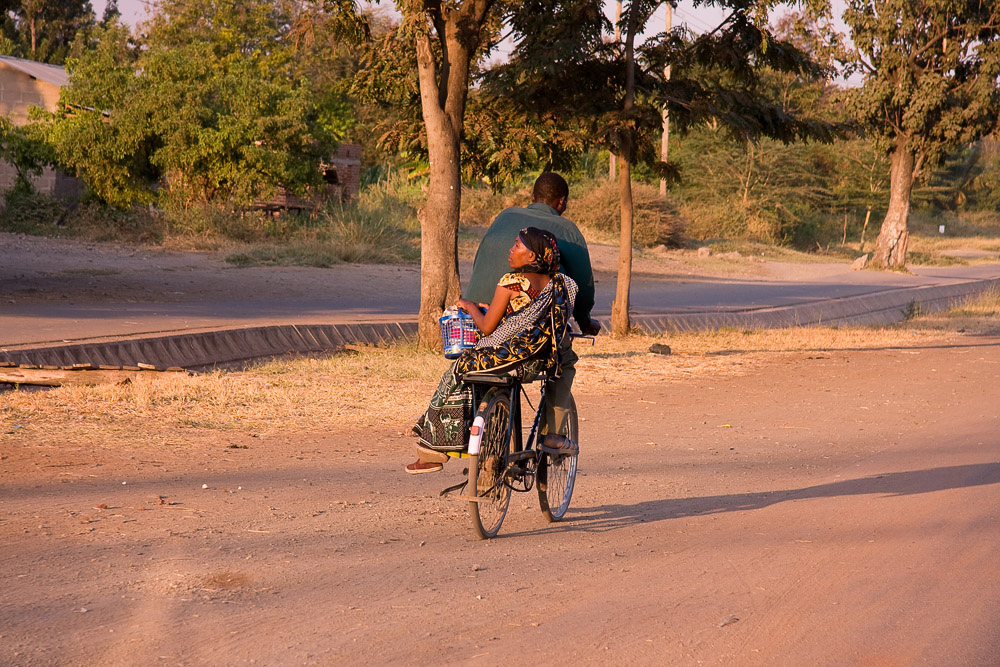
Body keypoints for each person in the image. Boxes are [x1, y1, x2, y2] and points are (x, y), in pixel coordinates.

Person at [406, 227, 578, 474]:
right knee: (564, 364)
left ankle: (432, 450)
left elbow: (487, 328)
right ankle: (553, 433)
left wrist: (469, 306)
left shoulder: (511, 282)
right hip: (535, 363)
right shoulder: (561, 285)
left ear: (531, 257)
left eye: (517, 245)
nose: (511, 250)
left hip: (508, 360)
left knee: (458, 370)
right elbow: (527, 321)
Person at [465, 172, 599, 453]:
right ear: (561, 202)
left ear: (532, 197)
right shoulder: (567, 230)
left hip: (481, 307)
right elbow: (582, 284)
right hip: (524, 316)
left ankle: (485, 435)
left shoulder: (504, 217)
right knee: (563, 361)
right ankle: (552, 434)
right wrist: (584, 319)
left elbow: (480, 260)